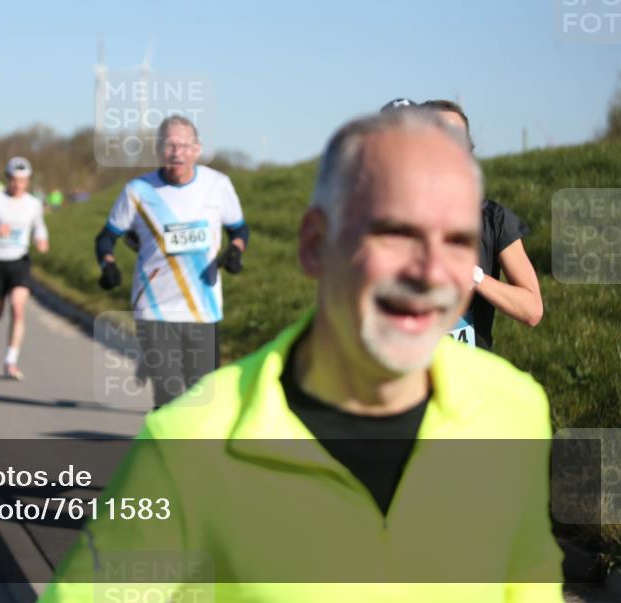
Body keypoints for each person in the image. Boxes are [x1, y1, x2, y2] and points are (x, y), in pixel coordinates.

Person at [40, 110, 562, 602]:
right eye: (394, 233)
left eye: (457, 241)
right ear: (314, 244)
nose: (430, 272)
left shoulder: (515, 412)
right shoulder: (189, 442)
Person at [94, 114, 249, 408]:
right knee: (169, 396)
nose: (177, 153)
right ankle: (167, 448)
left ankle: (179, 449)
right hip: (154, 308)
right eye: (169, 146)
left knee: (201, 399)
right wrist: (108, 264)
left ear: (197, 149)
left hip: (203, 309)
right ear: (158, 150)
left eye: (184, 146)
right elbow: (105, 238)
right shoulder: (137, 191)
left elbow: (239, 228)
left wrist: (236, 250)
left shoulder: (218, 185)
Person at [416, 99, 543, 350]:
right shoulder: (391, 218)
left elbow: (532, 310)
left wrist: (475, 277)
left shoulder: (493, 219)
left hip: (470, 380)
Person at [0, 157, 49, 381]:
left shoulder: (33, 204)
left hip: (19, 260)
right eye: (13, 180)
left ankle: (10, 360)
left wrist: (42, 239)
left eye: (22, 181)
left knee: (18, 307)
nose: (17, 185)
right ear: (7, 179)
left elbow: (39, 226)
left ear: (28, 181)